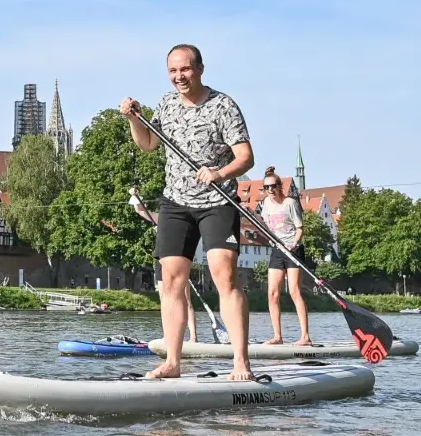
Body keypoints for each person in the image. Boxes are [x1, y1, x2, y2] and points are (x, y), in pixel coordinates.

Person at [119, 44, 256, 381]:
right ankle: (173, 362)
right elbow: (148, 144)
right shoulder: (166, 103)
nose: (179, 77)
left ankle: (241, 362)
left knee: (224, 277)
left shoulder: (223, 106)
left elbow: (245, 157)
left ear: (200, 69)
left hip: (217, 202)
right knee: (171, 283)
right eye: (173, 71)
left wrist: (219, 173)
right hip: (176, 202)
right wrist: (133, 121)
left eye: (185, 69)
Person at [129, 187, 199, 343]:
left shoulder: (181, 221)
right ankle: (168, 335)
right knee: (165, 299)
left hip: (179, 259)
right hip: (161, 260)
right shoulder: (160, 218)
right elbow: (140, 210)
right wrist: (135, 195)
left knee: (186, 299)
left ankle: (193, 337)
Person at [258, 166, 312, 346]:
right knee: (272, 293)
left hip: (293, 248)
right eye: (266, 187)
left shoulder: (290, 203)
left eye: (273, 186)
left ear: (280, 186)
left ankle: (305, 336)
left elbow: (300, 229)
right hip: (277, 249)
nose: (270, 190)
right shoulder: (265, 204)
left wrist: (293, 244)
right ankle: (277, 336)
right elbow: (267, 227)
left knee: (294, 291)